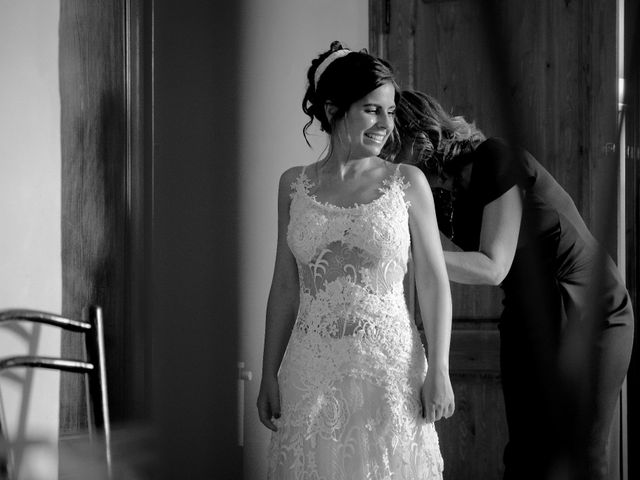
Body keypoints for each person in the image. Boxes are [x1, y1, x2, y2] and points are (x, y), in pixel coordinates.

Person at [392, 90, 635, 480]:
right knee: (525, 452)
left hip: (588, 306)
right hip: (526, 308)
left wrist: (409, 258)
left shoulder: (496, 159)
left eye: (391, 147)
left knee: (580, 453)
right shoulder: (430, 194)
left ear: (417, 137)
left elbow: (492, 267)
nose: (386, 161)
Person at [256, 43, 455, 480]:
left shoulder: (407, 182)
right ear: (333, 110)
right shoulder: (293, 185)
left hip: (390, 376)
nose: (386, 124)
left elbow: (434, 281)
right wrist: (268, 372)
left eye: (389, 110)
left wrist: (438, 367)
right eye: (372, 110)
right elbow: (285, 286)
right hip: (310, 374)